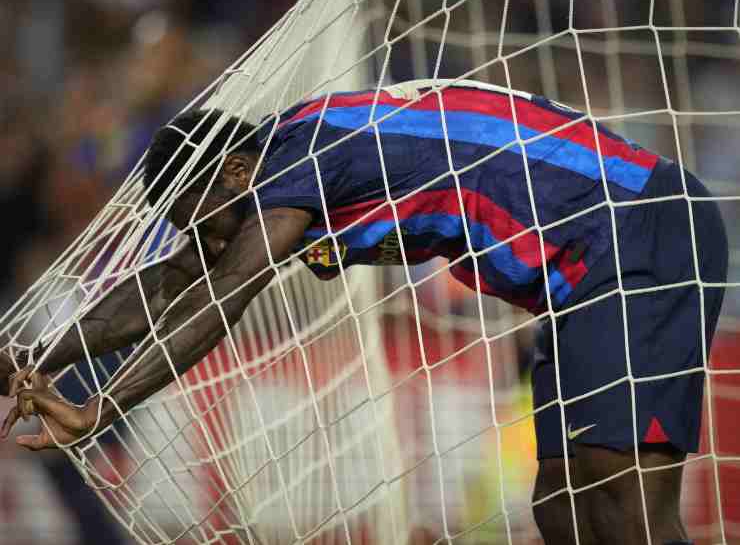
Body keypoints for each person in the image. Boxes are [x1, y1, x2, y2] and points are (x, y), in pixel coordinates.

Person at [0, 80, 728, 545]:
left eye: (206, 218)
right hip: (579, 273)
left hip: (635, 228)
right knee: (564, 512)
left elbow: (221, 295)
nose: (212, 239)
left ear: (232, 168)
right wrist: (36, 358)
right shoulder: (285, 180)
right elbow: (171, 284)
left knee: (622, 504)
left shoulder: (299, 154)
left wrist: (100, 406)